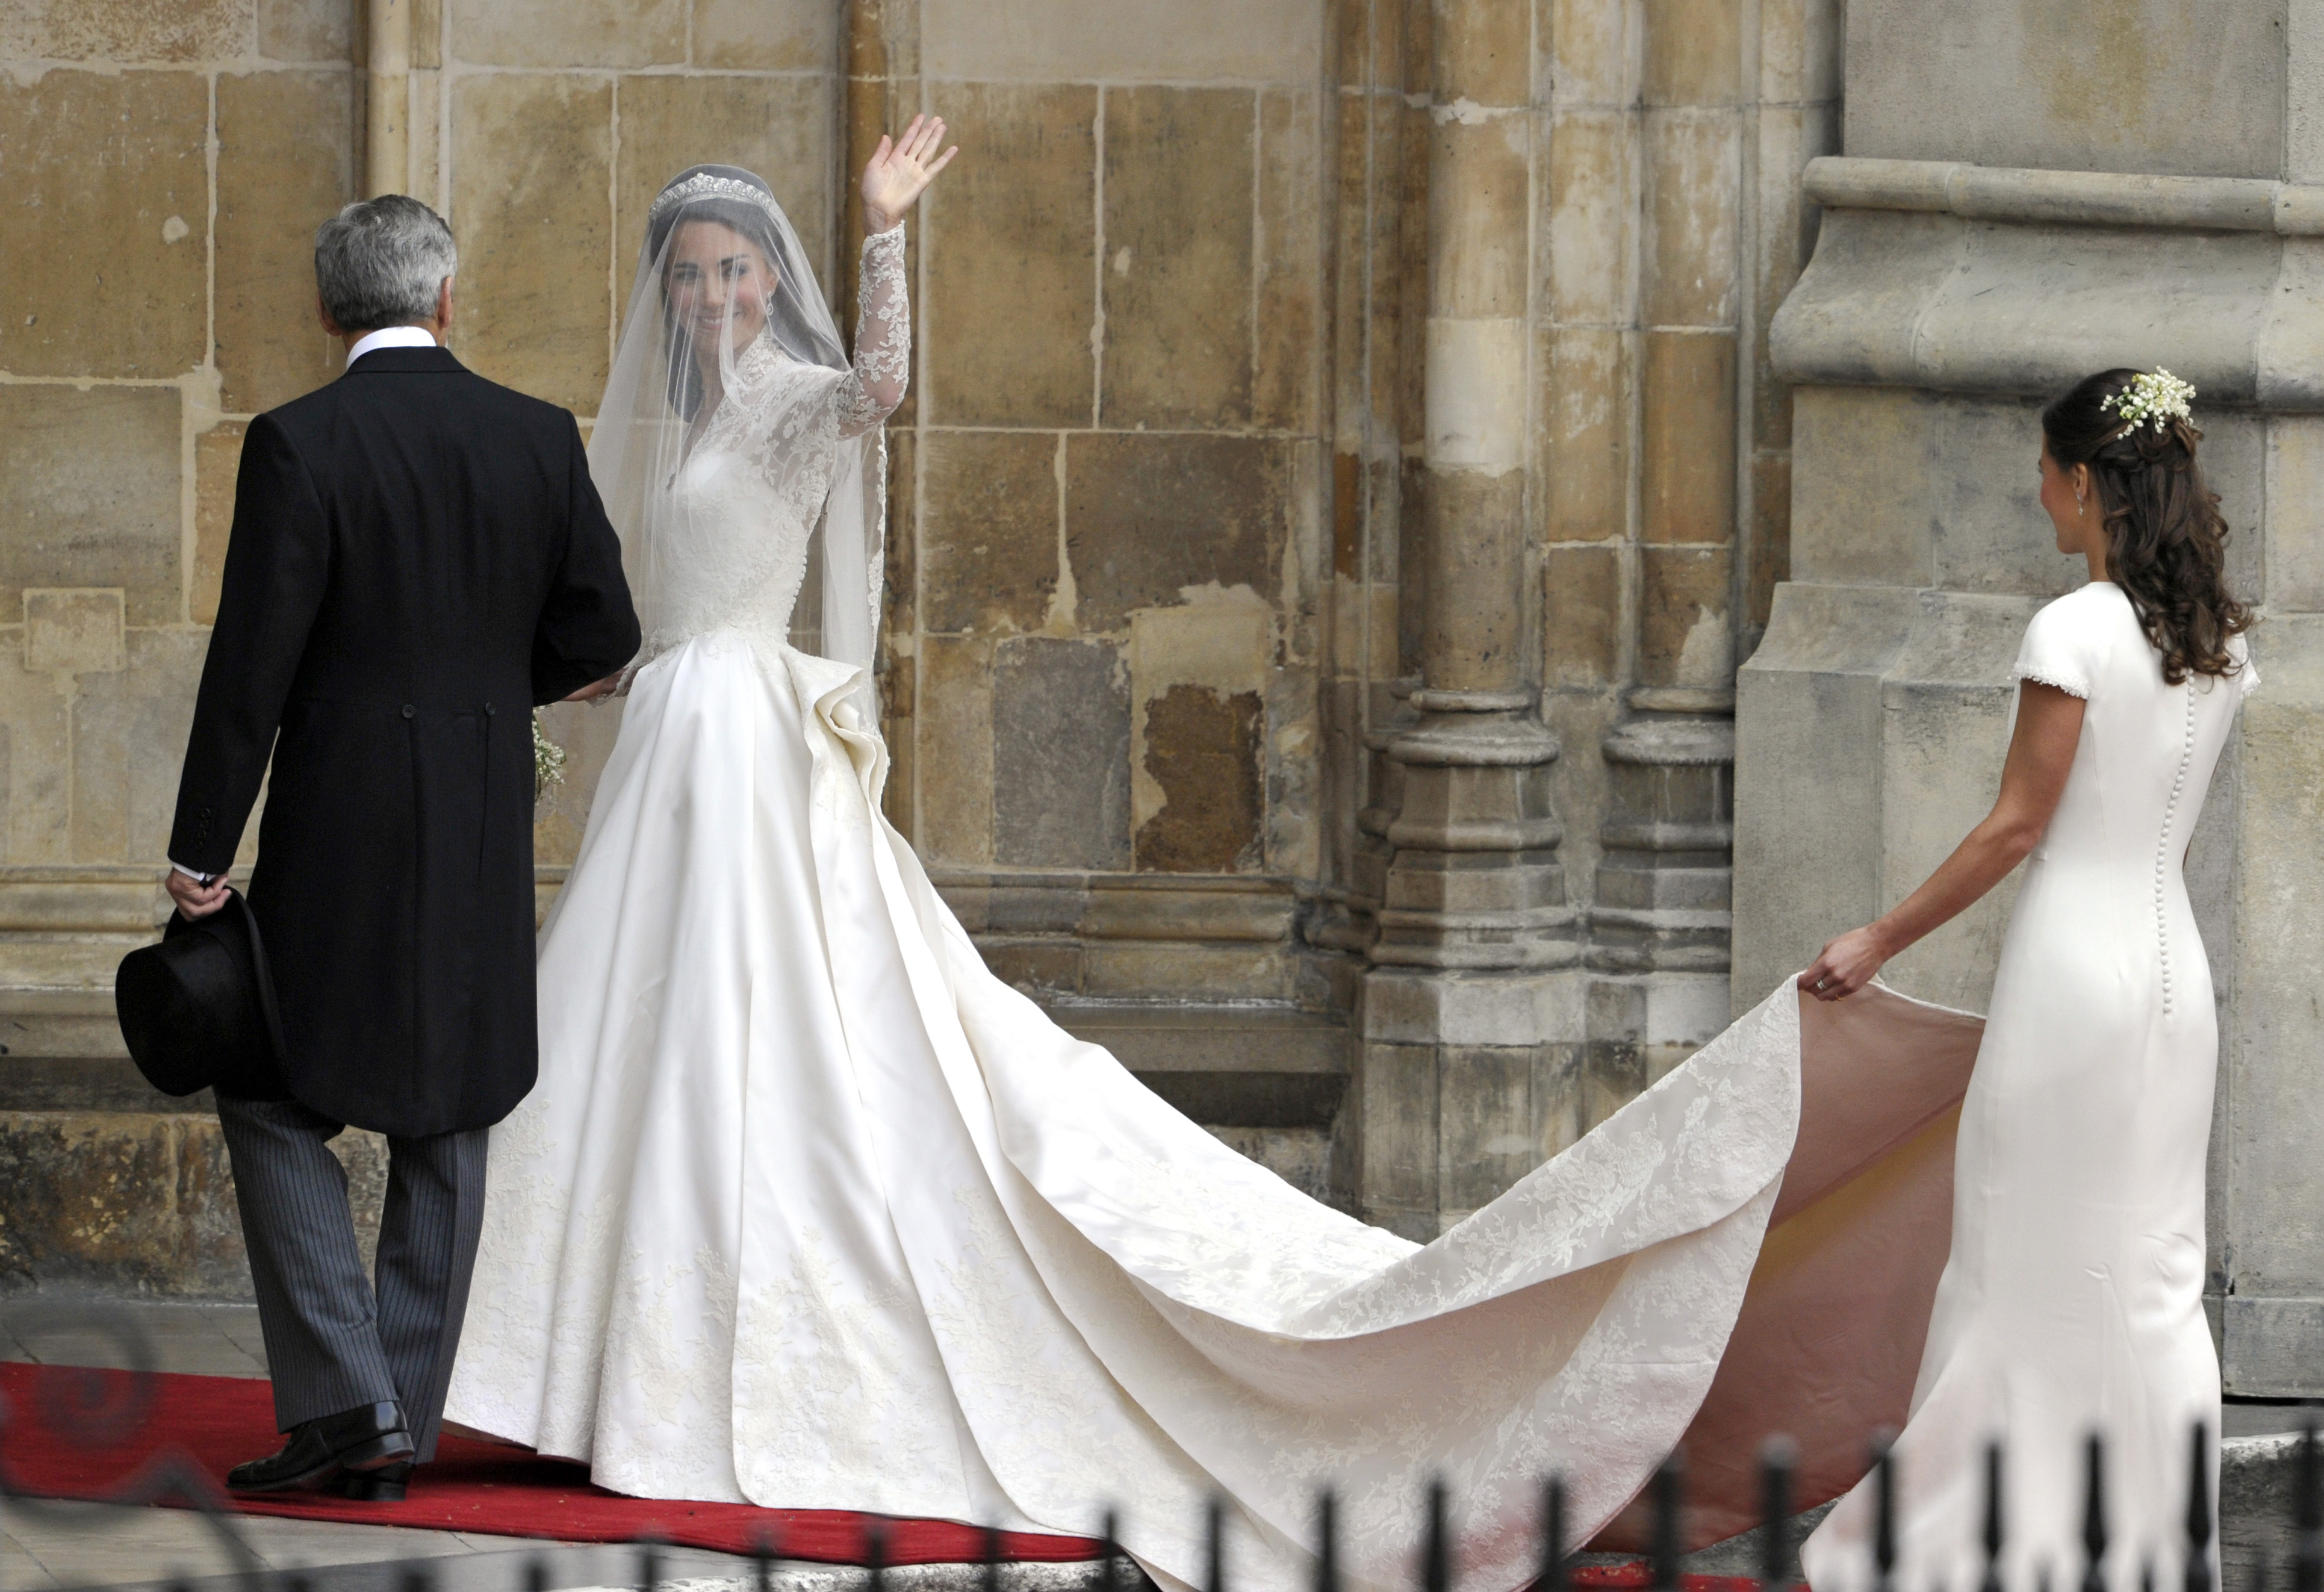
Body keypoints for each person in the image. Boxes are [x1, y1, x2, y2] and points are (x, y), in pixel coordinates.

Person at [441, 127, 1992, 1592]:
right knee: (646, 1032)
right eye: (693, 272)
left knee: (761, 1035)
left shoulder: (785, 389)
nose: (714, 293)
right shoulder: (679, 417)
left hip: (747, 749)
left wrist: (886, 234)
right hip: (676, 732)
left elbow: (886, 388)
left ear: (770, 280)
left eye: (734, 268)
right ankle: (593, 1362)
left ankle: (725, 1350)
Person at [163, 194, 639, 1503]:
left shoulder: (300, 441)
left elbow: (249, 663)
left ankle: (349, 1404)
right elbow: (604, 633)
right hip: (481, 823)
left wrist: (203, 847)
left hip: (336, 826)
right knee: (455, 1108)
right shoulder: (536, 435)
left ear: (328, 308)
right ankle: (392, 1425)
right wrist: (496, 686)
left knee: (266, 1090)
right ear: (445, 300)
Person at [1798, 368, 2254, 1592]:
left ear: (2090, 482)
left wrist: (1876, 938)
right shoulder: (2217, 640)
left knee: (2017, 1257)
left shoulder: (2071, 630)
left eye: (2047, 470)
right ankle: (2153, 1541)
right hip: (2173, 986)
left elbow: (2013, 828)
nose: (2036, 491)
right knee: (2151, 1267)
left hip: (2073, 979)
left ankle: (1980, 1537)